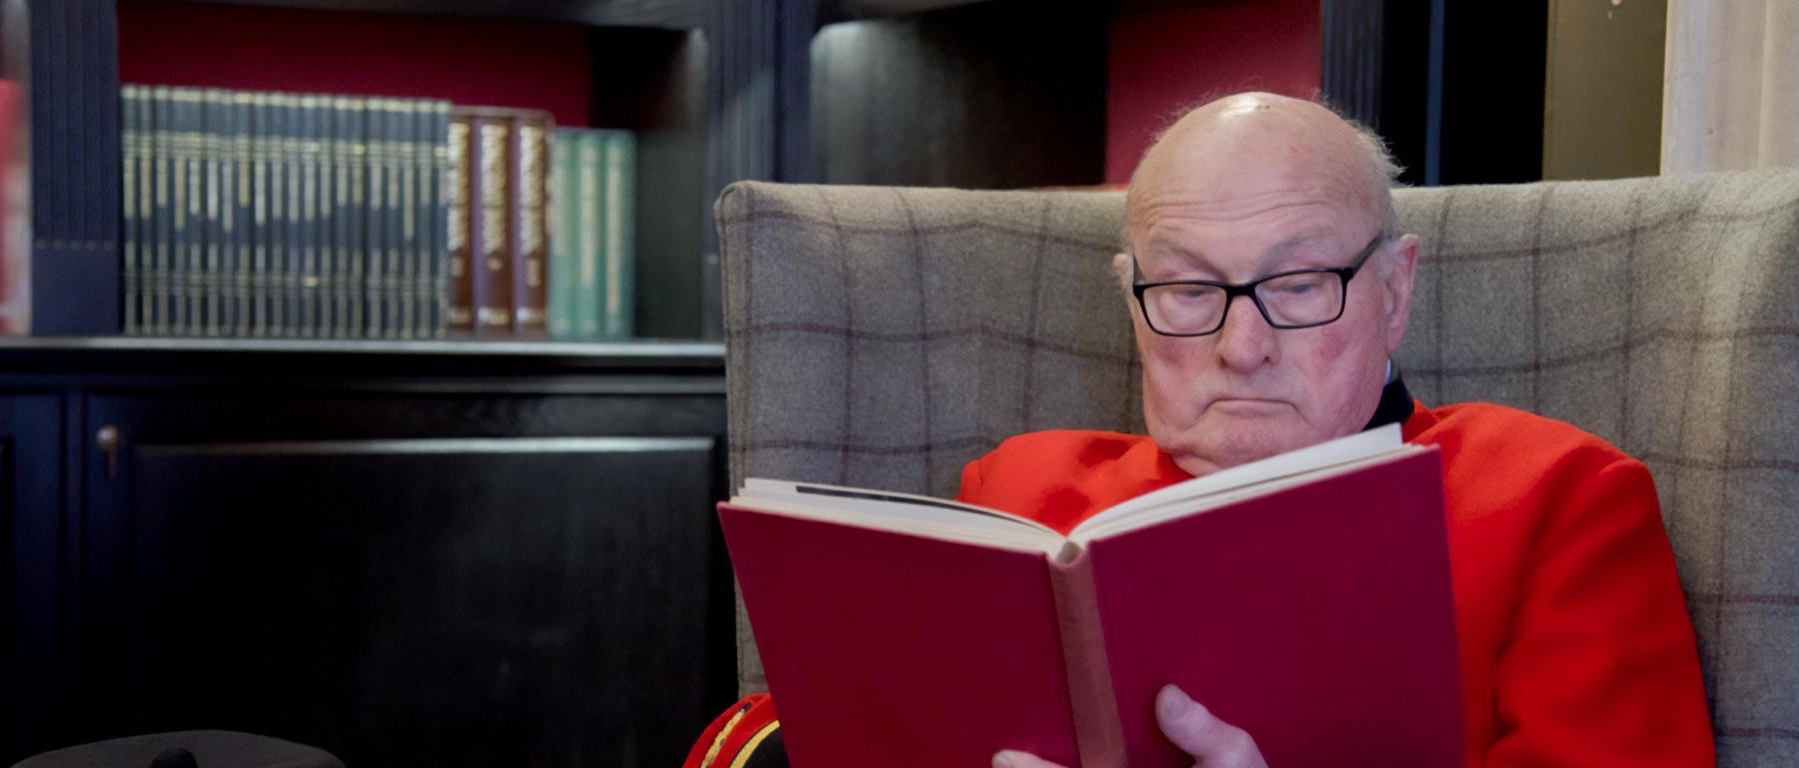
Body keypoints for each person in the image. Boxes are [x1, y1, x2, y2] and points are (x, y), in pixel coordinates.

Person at [686, 92, 1715, 768]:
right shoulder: (1022, 493)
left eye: (1301, 283)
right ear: (1133, 299)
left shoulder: (1555, 496)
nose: (1242, 346)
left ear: (1395, 291)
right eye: (1185, 289)